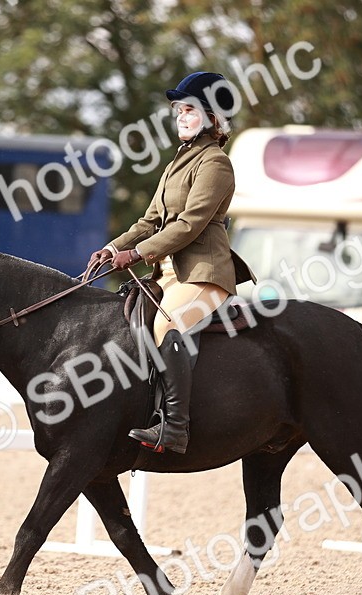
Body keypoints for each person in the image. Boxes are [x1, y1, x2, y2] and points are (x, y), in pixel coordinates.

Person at [86, 71, 251, 454]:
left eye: (189, 109)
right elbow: (149, 221)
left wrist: (138, 254)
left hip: (204, 274)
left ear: (213, 118)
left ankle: (176, 426)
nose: (180, 115)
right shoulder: (179, 160)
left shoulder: (215, 163)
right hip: (171, 273)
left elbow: (189, 224)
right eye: (178, 108)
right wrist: (113, 248)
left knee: (166, 325)